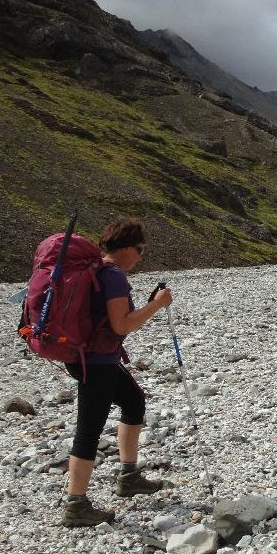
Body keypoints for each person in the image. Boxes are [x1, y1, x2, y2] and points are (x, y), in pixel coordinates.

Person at [62, 218, 173, 528]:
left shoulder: (98, 271)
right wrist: (157, 305)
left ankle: (129, 477)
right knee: (89, 429)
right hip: (96, 363)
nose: (140, 256)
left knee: (134, 402)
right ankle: (76, 504)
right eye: (139, 250)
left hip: (96, 358)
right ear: (125, 249)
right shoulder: (112, 277)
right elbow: (121, 325)